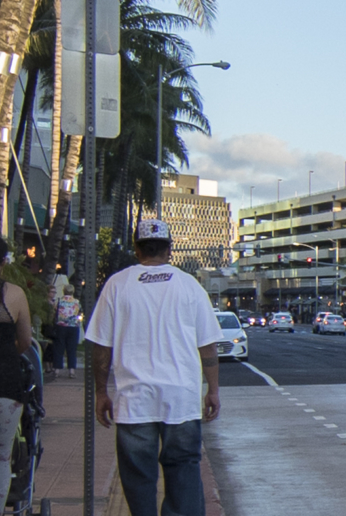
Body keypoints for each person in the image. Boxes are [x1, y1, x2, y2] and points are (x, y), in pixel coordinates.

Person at [85, 218, 221, 516]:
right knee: (184, 471)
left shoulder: (117, 285)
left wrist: (100, 392)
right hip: (181, 399)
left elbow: (100, 347)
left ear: (136, 248)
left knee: (137, 477)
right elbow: (208, 346)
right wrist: (212, 390)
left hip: (135, 400)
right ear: (169, 250)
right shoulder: (190, 286)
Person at [0, 234, 38, 516]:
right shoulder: (14, 294)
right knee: (1, 458)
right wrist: (6, 353)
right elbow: (26, 341)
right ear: (4, 262)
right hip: (5, 385)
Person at [47, 287, 82, 376]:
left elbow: (55, 312)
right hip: (73, 326)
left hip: (61, 326)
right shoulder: (76, 302)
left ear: (63, 291)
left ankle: (57, 370)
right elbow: (79, 313)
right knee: (71, 348)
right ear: (72, 292)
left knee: (59, 347)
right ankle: (71, 370)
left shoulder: (59, 301)